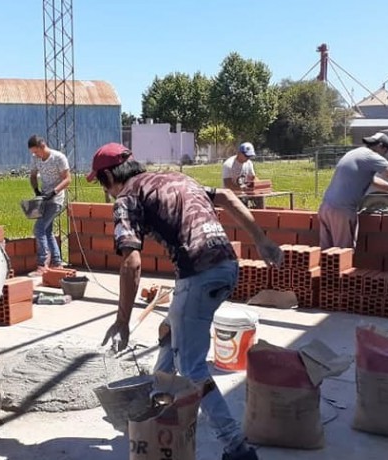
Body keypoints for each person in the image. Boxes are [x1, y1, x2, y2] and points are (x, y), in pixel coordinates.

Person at [87, 142, 283, 460]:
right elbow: (229, 196)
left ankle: (237, 448)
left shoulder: (126, 198)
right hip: (226, 266)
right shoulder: (177, 178)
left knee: (192, 367)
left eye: (100, 182)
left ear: (109, 176)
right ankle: (157, 407)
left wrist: (122, 321)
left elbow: (132, 263)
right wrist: (262, 241)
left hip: (197, 274)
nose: (104, 190)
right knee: (169, 333)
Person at [319, 132, 388, 249]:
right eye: (385, 153)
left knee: (327, 255)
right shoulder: (371, 156)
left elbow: (373, 180)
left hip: (326, 207)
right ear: (381, 147)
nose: (384, 157)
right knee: (342, 255)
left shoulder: (356, 153)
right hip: (342, 211)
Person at [28, 135, 71, 276]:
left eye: (36, 151)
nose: (35, 155)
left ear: (42, 146)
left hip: (56, 199)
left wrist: (54, 192)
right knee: (47, 231)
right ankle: (57, 263)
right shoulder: (36, 159)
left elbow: (67, 179)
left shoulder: (59, 158)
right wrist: (37, 191)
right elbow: (33, 176)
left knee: (39, 229)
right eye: (33, 153)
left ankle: (42, 265)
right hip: (44, 199)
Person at [222, 142, 264, 208]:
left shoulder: (249, 163)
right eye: (246, 156)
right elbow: (228, 184)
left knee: (259, 197)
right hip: (232, 195)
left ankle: (261, 214)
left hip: (244, 193)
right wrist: (242, 189)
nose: (248, 158)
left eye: (250, 156)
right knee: (242, 201)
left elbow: (253, 178)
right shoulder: (229, 165)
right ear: (239, 153)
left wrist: (260, 186)